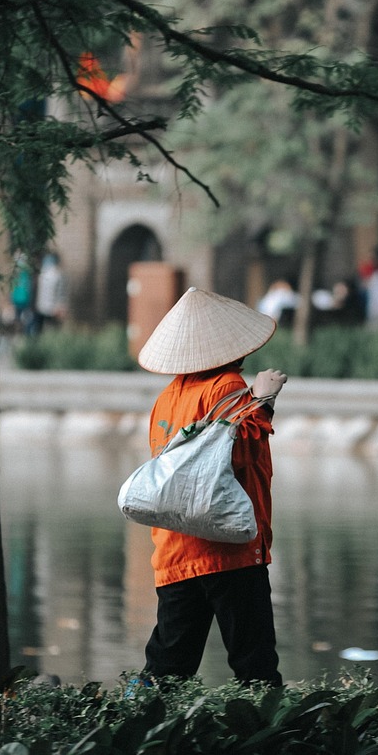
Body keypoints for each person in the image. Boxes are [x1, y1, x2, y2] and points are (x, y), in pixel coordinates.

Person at [137, 286, 287, 685]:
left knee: (168, 667)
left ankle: (140, 733)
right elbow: (237, 453)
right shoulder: (227, 386)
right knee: (255, 664)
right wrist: (265, 400)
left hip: (176, 551)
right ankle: (270, 742)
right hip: (228, 549)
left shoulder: (167, 398)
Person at [33, 252, 68, 332]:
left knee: (40, 330)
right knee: (52, 329)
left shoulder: (41, 274)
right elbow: (61, 293)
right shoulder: (57, 275)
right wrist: (61, 306)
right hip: (53, 309)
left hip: (41, 307)